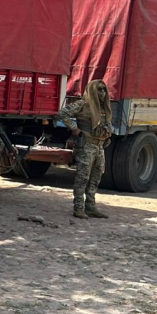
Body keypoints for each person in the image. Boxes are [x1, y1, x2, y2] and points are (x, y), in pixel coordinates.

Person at [58, 79, 112, 219]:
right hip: (86, 145)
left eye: (104, 90)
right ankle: (79, 208)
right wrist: (74, 128)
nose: (102, 92)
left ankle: (91, 207)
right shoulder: (83, 104)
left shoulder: (103, 107)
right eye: (99, 89)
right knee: (83, 177)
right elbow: (63, 113)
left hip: (99, 147)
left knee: (96, 177)